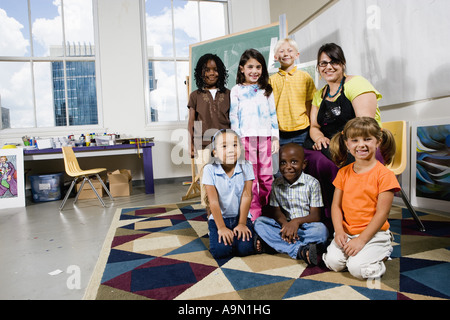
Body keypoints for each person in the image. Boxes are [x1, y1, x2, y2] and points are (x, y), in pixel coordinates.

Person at [303, 43, 383, 218]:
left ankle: (355, 215)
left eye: (334, 62)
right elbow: (315, 126)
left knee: (339, 164)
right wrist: (318, 139)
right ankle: (326, 216)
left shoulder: (357, 83)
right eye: (323, 63)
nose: (328, 67)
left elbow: (365, 125)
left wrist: (340, 142)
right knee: (313, 159)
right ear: (318, 67)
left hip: (358, 141)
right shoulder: (320, 94)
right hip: (331, 143)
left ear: (343, 64)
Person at [322, 117, 400, 280]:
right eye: (355, 140)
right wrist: (339, 231)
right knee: (333, 263)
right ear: (347, 143)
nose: (361, 144)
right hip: (348, 232)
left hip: (374, 233)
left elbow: (382, 214)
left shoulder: (385, 175)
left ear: (378, 141)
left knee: (356, 269)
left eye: (367, 139)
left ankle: (384, 252)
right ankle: (361, 254)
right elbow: (336, 206)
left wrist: (361, 241)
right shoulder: (343, 172)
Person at [254, 143, 328, 265]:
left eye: (294, 162)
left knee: (321, 231)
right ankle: (300, 250)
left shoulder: (312, 183)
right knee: (260, 223)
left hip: (305, 227)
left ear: (304, 164)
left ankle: (273, 245)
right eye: (283, 163)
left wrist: (296, 223)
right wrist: (286, 226)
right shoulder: (276, 184)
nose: (288, 167)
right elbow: (276, 212)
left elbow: (316, 215)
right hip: (284, 226)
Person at [230, 48, 279, 221]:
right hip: (245, 139)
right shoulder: (236, 90)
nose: (255, 71)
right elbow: (234, 116)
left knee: (266, 177)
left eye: (258, 67)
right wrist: (237, 140)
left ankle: (267, 210)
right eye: (250, 67)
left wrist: (275, 137)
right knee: (251, 178)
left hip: (265, 138)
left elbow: (273, 114)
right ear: (242, 68)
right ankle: (255, 214)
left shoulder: (266, 89)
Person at [202, 129, 256, 259]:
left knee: (245, 250)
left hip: (240, 217)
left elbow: (247, 196)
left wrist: (242, 223)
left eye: (235, 145)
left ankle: (248, 232)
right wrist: (221, 227)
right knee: (221, 251)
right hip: (219, 218)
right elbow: (213, 201)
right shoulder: (209, 169)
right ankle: (214, 230)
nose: (231, 150)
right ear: (215, 152)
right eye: (225, 146)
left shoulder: (247, 166)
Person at [187, 53, 230, 208]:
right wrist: (191, 144)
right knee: (207, 182)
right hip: (203, 144)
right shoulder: (195, 96)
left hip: (225, 145)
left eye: (215, 69)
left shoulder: (228, 94)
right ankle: (210, 215)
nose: (212, 73)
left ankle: (226, 212)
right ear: (201, 72)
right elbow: (191, 122)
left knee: (225, 180)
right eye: (207, 70)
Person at [269, 38, 316, 146]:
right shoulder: (271, 80)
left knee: (302, 161)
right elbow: (270, 107)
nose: (286, 54)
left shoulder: (305, 77)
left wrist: (311, 127)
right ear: (275, 57)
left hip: (303, 132)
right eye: (281, 51)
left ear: (297, 55)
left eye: (290, 51)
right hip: (281, 134)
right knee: (284, 162)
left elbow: (310, 103)